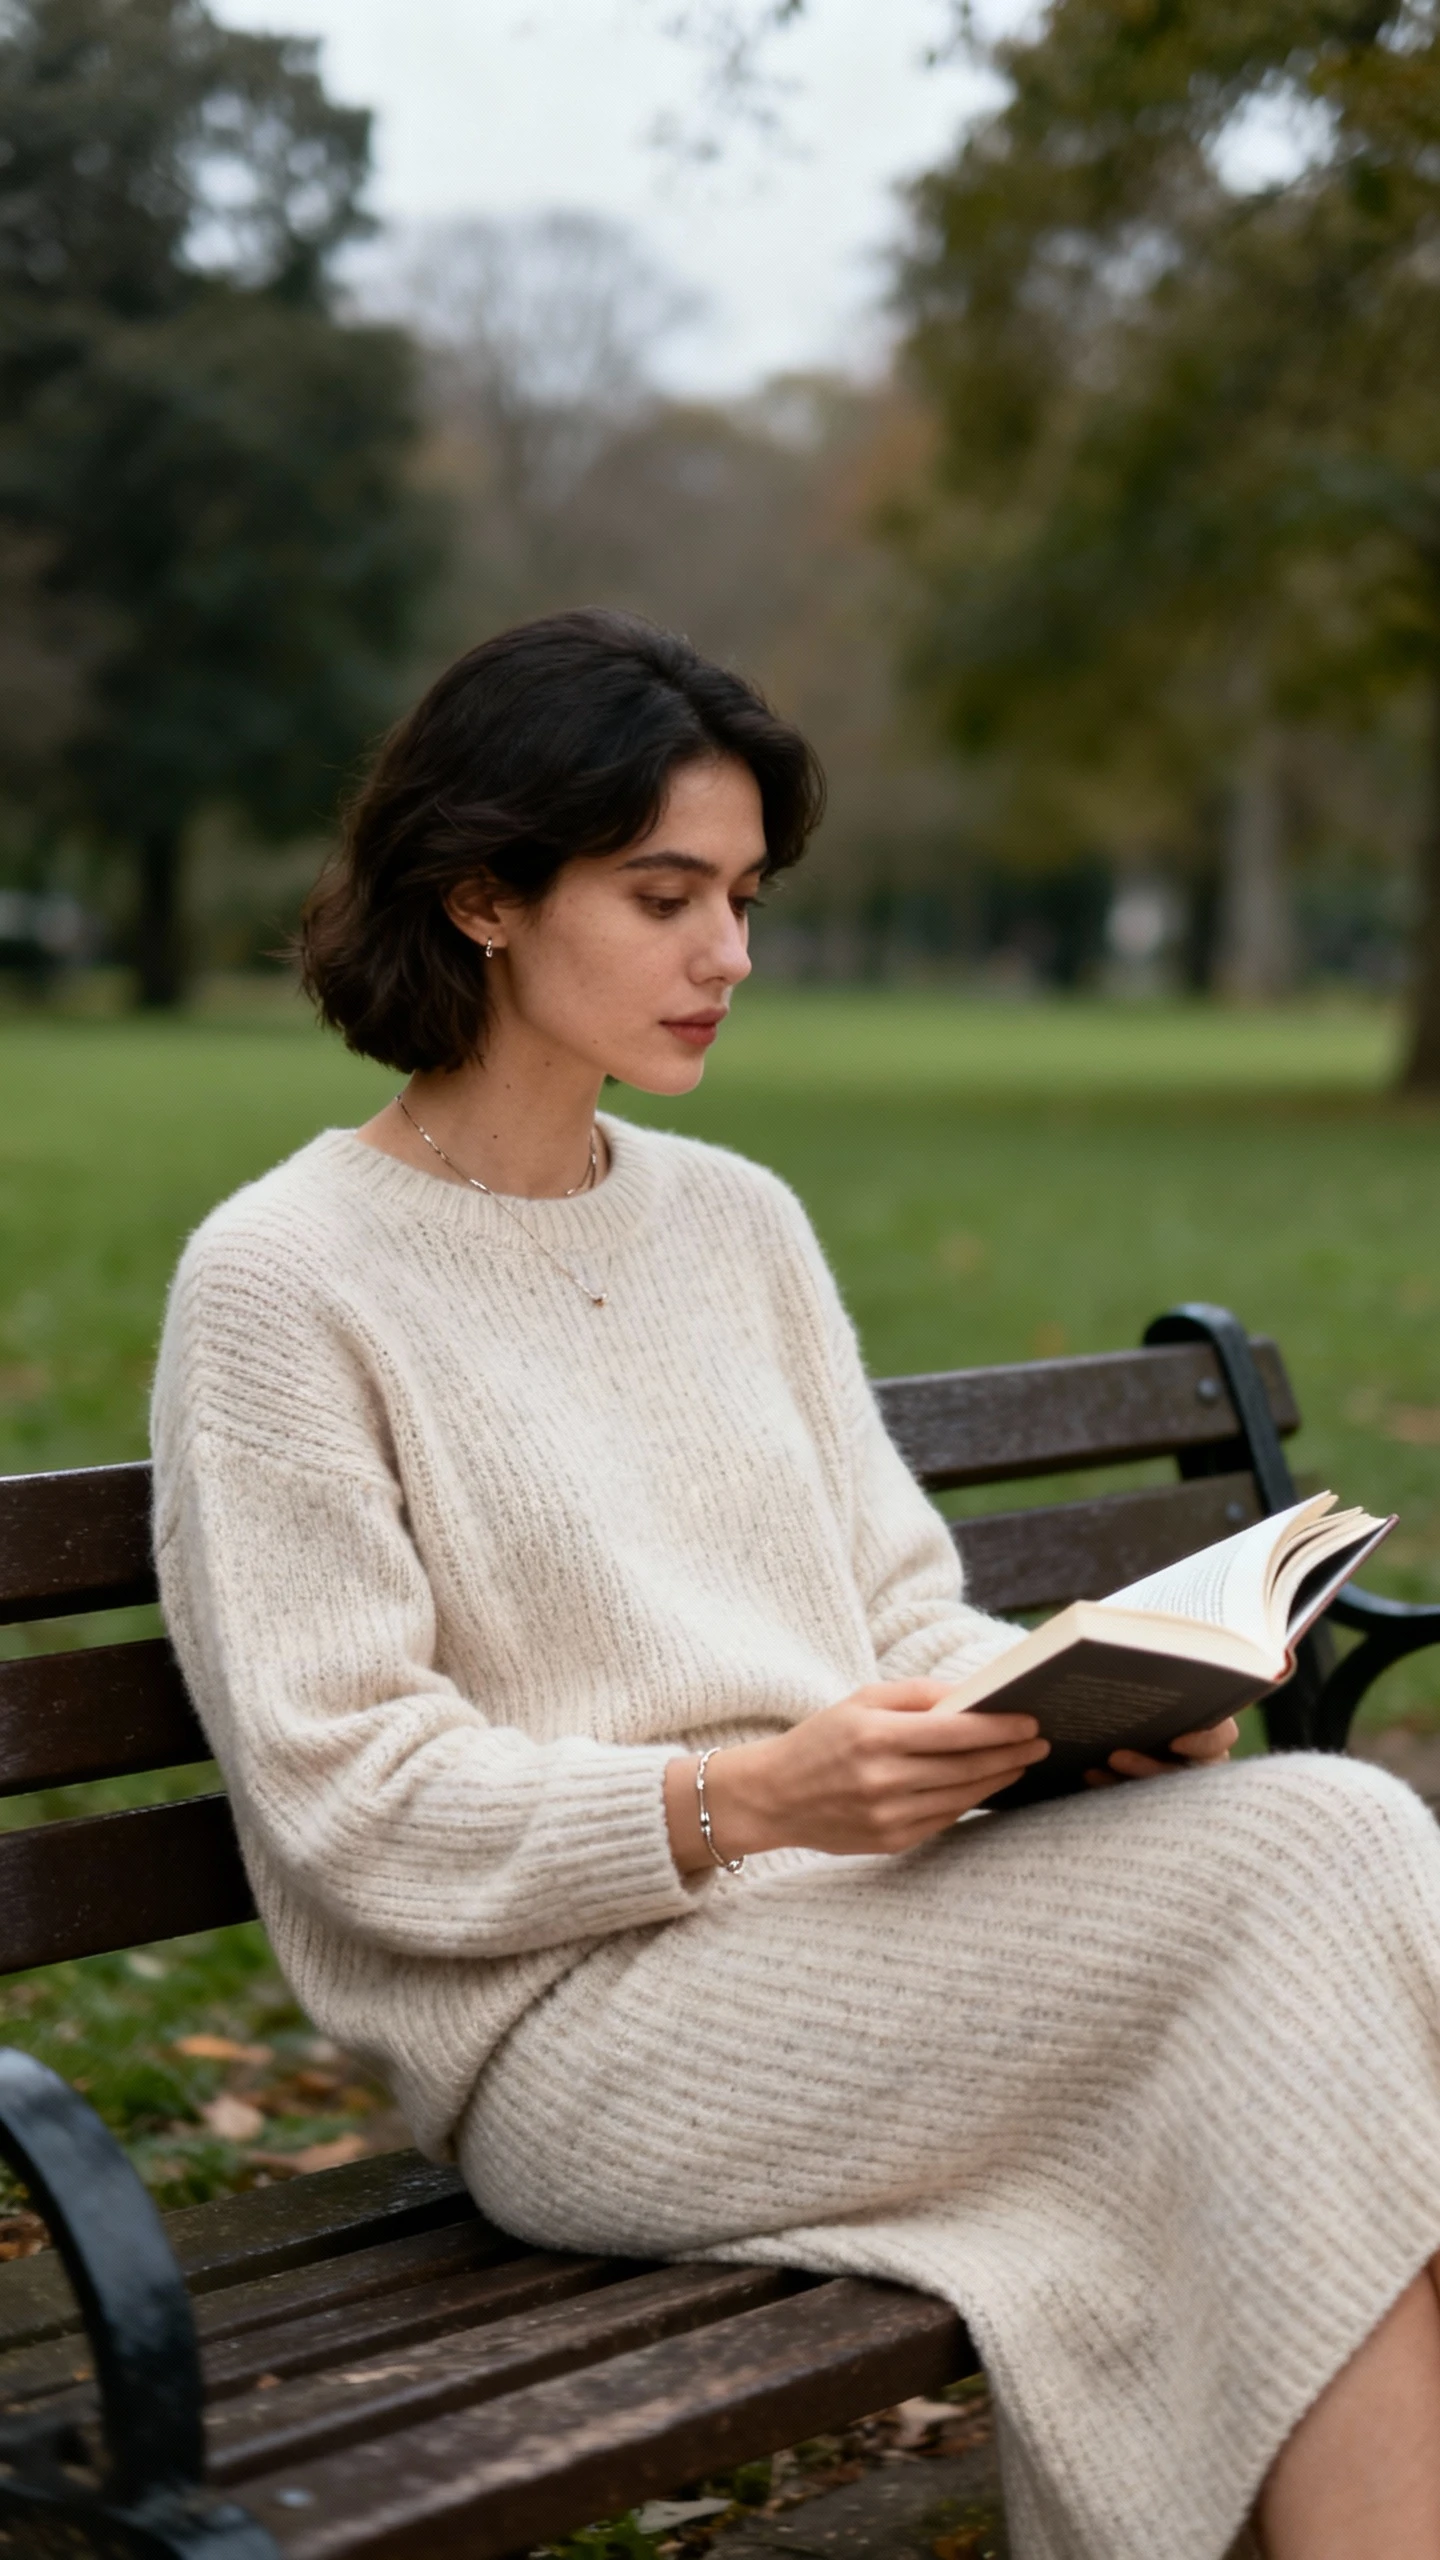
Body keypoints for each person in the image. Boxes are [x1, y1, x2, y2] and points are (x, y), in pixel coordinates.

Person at [151, 610, 1440, 2560]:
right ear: (482, 888)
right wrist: (736, 1797)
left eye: (743, 895)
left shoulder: (735, 1221)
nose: (728, 954)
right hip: (579, 2031)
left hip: (864, 1916)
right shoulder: (283, 1280)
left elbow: (899, 1612)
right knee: (1332, 1852)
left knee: (1318, 1947)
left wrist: (1072, 1701)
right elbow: (349, 1803)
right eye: (665, 894)